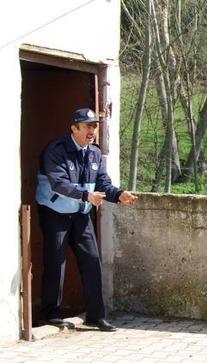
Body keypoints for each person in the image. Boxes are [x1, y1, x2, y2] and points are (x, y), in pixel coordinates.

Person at [35, 108, 137, 332]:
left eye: (94, 126)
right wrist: (86, 196)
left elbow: (102, 183)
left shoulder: (94, 153)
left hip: (80, 213)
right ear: (74, 128)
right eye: (87, 126)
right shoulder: (56, 150)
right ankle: (50, 314)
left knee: (92, 261)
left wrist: (119, 195)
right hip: (54, 212)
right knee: (55, 262)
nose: (92, 131)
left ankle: (95, 316)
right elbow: (59, 184)